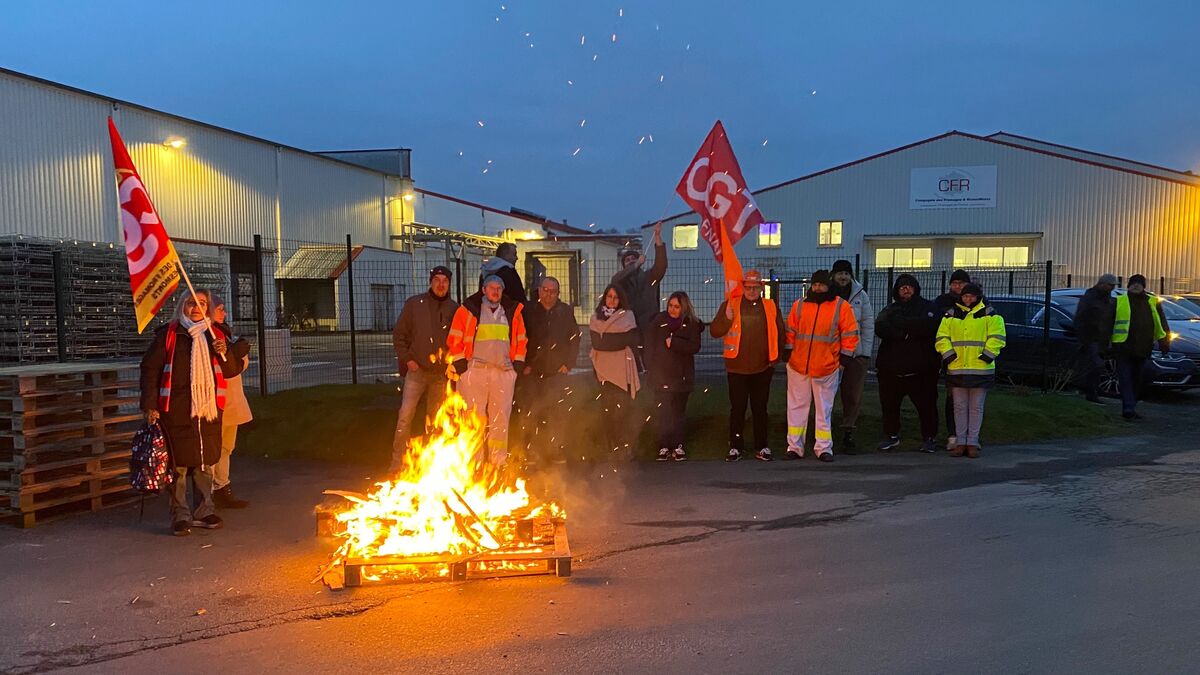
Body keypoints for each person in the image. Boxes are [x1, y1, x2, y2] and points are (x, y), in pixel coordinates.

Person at [140, 290, 245, 536]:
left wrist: (224, 352)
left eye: (202, 304)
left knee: (204, 461)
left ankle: (204, 510)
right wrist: (150, 405)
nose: (196, 308)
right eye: (191, 303)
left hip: (207, 409)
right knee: (177, 465)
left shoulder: (214, 334)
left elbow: (231, 370)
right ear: (182, 306)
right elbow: (150, 370)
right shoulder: (169, 335)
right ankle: (180, 515)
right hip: (175, 409)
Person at [449, 274, 528, 466]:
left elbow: (521, 339)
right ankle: (474, 463)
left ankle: (498, 462)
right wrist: (460, 362)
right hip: (475, 370)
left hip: (503, 371)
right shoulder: (468, 310)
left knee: (500, 419)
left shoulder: (512, 311)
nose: (495, 291)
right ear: (483, 290)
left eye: (498, 288)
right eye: (491, 288)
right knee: (474, 418)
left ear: (502, 291)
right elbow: (454, 337)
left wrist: (517, 364)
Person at [709, 270, 788, 462]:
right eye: (748, 287)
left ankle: (762, 446)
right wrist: (727, 318)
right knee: (738, 409)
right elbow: (714, 331)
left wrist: (775, 359)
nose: (752, 291)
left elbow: (780, 332)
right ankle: (735, 447)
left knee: (760, 408)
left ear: (761, 288)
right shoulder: (730, 305)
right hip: (736, 368)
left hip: (763, 368)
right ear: (743, 287)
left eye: (755, 287)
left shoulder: (770, 306)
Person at [784, 270, 859, 463]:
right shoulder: (799, 305)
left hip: (826, 367)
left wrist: (843, 361)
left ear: (828, 285)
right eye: (815, 284)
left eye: (821, 284)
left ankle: (824, 448)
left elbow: (850, 334)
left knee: (823, 410)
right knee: (796, 408)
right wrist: (788, 354)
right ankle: (794, 447)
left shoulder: (841, 307)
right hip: (799, 366)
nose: (817, 288)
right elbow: (790, 331)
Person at [391, 266, 459, 470]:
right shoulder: (414, 304)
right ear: (430, 282)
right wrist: (408, 359)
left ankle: (430, 466)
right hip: (417, 371)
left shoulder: (455, 309)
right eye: (437, 280)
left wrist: (452, 364)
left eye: (444, 281)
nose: (440, 285)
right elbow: (399, 335)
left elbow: (458, 341)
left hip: (441, 375)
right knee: (405, 416)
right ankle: (397, 463)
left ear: (449, 284)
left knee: (435, 421)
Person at [936, 283, 1006, 458]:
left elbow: (998, 337)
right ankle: (960, 442)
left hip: (980, 368)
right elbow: (941, 336)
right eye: (965, 296)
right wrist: (949, 355)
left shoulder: (991, 315)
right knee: (959, 407)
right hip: (957, 367)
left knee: (976, 407)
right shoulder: (950, 315)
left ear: (977, 297)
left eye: (971, 296)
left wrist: (987, 356)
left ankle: (972, 442)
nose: (968, 299)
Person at [874, 274, 941, 453]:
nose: (906, 289)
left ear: (916, 288)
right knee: (889, 406)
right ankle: (891, 436)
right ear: (897, 290)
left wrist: (902, 324)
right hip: (891, 370)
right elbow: (880, 327)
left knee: (927, 406)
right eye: (902, 286)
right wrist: (903, 333)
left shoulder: (928, 307)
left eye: (909, 286)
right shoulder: (889, 309)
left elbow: (930, 325)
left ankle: (929, 438)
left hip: (922, 371)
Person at [521, 276, 581, 464]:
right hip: (532, 372)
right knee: (530, 412)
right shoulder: (529, 311)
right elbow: (520, 337)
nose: (548, 295)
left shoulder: (565, 312)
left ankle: (554, 452)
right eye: (545, 290)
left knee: (556, 413)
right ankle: (530, 451)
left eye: (553, 291)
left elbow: (574, 338)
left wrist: (568, 363)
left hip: (556, 372)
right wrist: (525, 364)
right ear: (539, 291)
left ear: (558, 293)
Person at [645, 291, 703, 461]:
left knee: (678, 412)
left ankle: (677, 445)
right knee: (664, 411)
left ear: (683, 307)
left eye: (676, 307)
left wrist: (675, 343)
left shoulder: (691, 324)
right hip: (661, 375)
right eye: (670, 305)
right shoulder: (659, 322)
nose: (672, 309)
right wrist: (650, 365)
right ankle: (663, 445)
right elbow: (650, 344)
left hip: (681, 376)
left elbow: (694, 346)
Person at [208, 295, 253, 508]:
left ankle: (221, 487)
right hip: (213, 402)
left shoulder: (224, 333)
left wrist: (236, 355)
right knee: (210, 449)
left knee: (226, 447)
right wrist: (234, 355)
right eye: (220, 309)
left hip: (231, 400)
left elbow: (238, 366)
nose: (224, 313)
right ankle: (206, 492)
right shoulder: (204, 336)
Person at [589, 285, 642, 457]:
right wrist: (614, 342)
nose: (612, 300)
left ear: (621, 300)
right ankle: (610, 447)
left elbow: (628, 340)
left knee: (622, 410)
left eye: (615, 297)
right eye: (609, 296)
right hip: (602, 370)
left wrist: (610, 342)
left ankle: (625, 446)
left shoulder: (627, 317)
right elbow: (598, 343)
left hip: (621, 369)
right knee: (607, 410)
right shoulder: (596, 318)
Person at [829, 260, 874, 453]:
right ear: (833, 275)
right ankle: (824, 434)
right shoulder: (826, 294)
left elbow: (868, 324)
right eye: (840, 273)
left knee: (852, 396)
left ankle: (848, 433)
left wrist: (865, 352)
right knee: (826, 396)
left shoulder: (860, 295)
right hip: (830, 355)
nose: (843, 277)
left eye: (846, 273)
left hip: (855, 355)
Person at [1112, 274, 1168, 420]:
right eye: (1133, 283)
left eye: (1139, 283)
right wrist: (1104, 345)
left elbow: (1161, 322)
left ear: (1144, 286)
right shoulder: (1119, 301)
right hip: (1123, 347)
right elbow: (1107, 324)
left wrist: (1164, 341)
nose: (1135, 286)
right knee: (1125, 378)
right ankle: (1128, 408)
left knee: (1137, 379)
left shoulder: (1153, 302)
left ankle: (1131, 406)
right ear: (1128, 286)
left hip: (1143, 348)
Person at [611, 222, 668, 364]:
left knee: (651, 359)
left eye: (633, 259)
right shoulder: (620, 281)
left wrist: (657, 238)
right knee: (632, 360)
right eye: (627, 260)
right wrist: (636, 265)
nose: (631, 261)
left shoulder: (650, 277)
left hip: (649, 325)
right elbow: (615, 281)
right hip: (629, 327)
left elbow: (661, 264)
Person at [934, 269, 971, 450]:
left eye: (961, 283)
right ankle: (953, 434)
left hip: (974, 360)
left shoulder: (978, 303)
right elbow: (939, 331)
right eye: (955, 283)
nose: (958, 286)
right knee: (953, 398)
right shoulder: (942, 302)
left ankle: (971, 436)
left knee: (973, 401)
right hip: (951, 359)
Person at [1073, 273, 1118, 404]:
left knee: (1097, 366)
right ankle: (1090, 393)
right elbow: (1080, 319)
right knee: (1096, 365)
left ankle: (1090, 391)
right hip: (1091, 338)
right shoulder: (1090, 299)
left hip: (1102, 339)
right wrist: (1084, 339)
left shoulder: (1108, 299)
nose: (1112, 288)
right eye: (1110, 285)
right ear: (1102, 284)